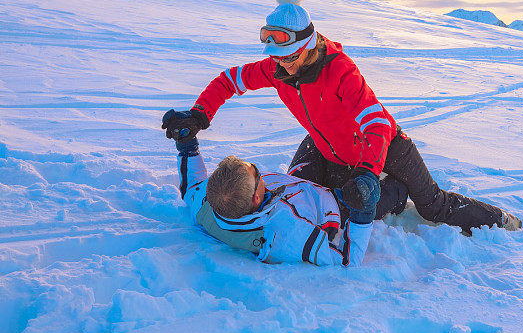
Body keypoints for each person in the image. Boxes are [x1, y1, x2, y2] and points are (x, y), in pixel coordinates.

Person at [162, 0, 521, 235]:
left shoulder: (340, 70)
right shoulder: (276, 69)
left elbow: (377, 124)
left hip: (385, 147)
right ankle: (367, 185)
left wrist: (367, 174)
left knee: (432, 207)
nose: (281, 67)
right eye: (275, 58)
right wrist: (199, 115)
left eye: (288, 57)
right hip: (325, 144)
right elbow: (231, 79)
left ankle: (494, 217)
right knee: (305, 198)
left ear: (307, 47)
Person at [162, 109, 409, 267]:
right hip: (339, 206)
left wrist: (186, 142)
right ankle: (396, 198)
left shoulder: (209, 200)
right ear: (256, 198)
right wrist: (363, 212)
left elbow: (192, 186)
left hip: (297, 187)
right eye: (256, 173)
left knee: (319, 134)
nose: (259, 170)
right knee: (395, 187)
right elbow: (348, 260)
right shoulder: (287, 235)